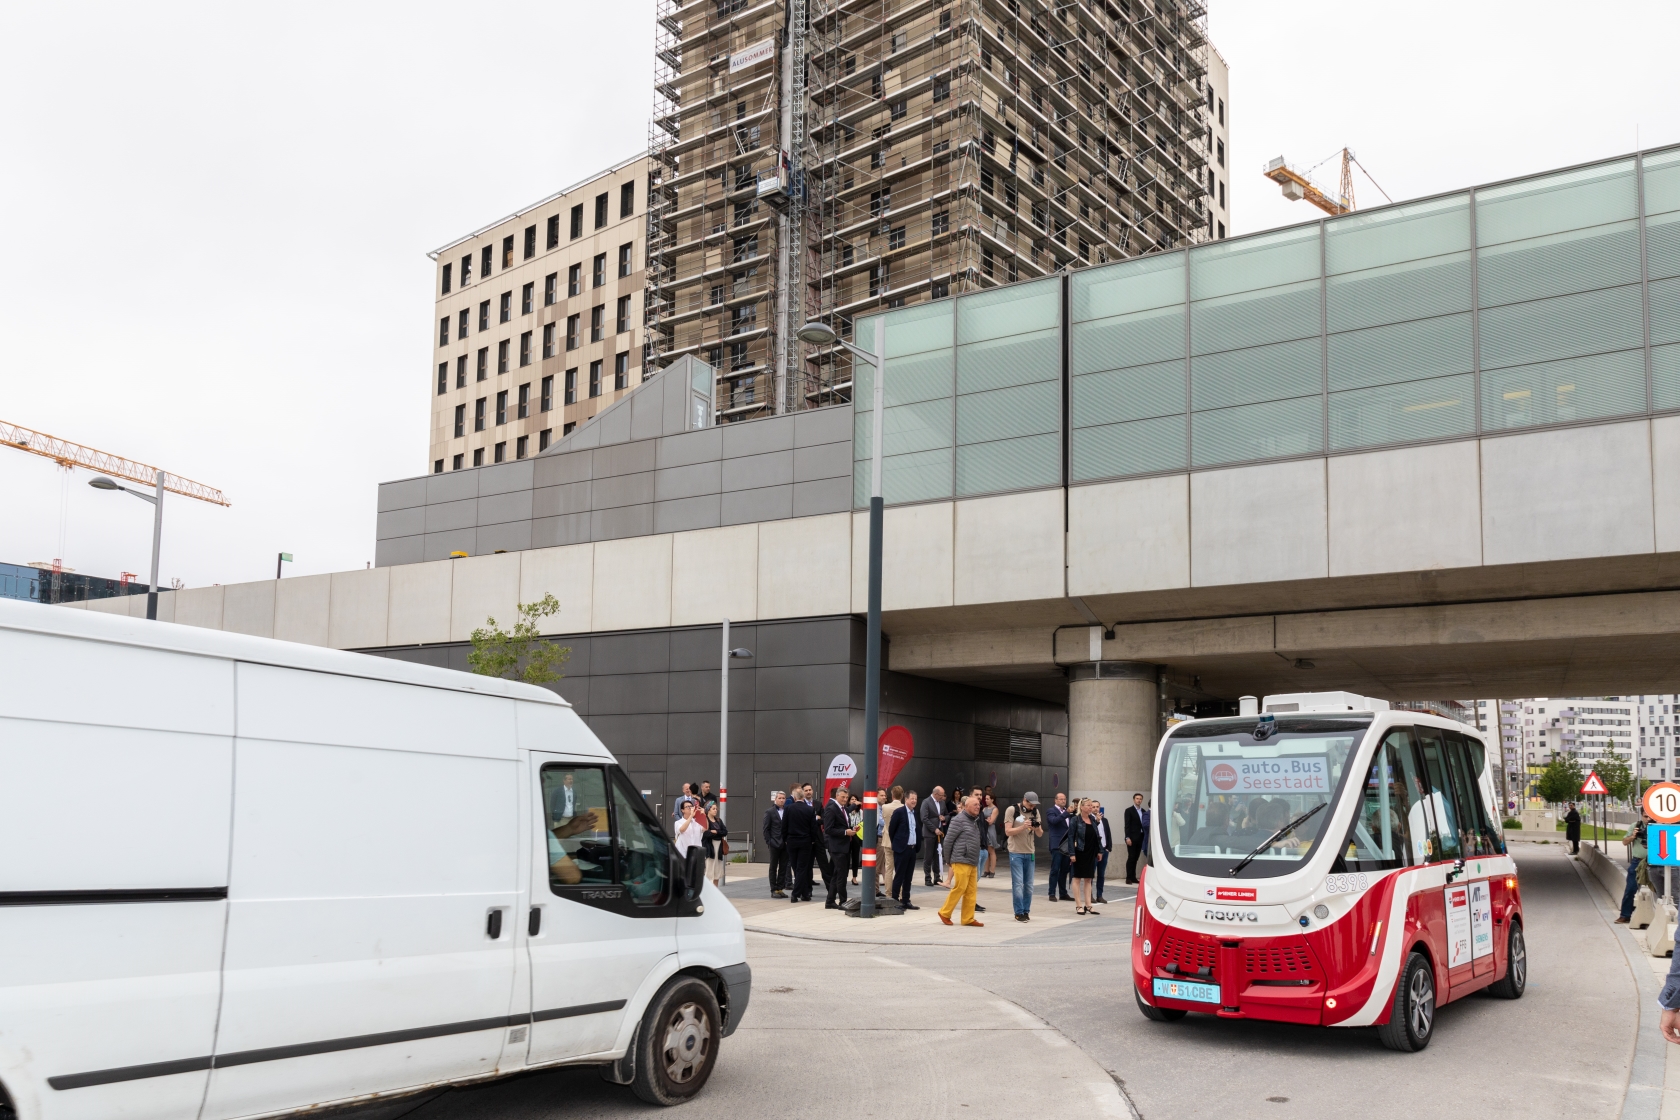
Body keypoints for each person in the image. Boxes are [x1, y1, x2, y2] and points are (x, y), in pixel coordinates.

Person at [938, 795, 985, 927]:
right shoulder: (959, 820)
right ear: (967, 806)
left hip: (972, 860)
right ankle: (944, 912)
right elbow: (948, 841)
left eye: (978, 804)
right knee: (960, 887)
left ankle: (968, 918)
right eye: (975, 804)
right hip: (961, 859)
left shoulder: (974, 820)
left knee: (971, 890)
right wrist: (948, 859)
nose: (978, 807)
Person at [1004, 791, 1044, 922]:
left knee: (1029, 885)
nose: (1032, 807)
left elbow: (1040, 834)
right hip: (1016, 852)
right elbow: (1008, 831)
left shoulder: (1035, 812)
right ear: (1025, 800)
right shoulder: (1012, 810)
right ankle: (1019, 912)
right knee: (1018, 883)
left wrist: (1035, 828)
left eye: (1034, 805)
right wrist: (1023, 827)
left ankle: (1026, 911)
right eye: (1031, 804)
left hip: (1030, 852)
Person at [784, 784, 818, 902]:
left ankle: (803, 893)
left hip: (792, 841)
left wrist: (785, 839)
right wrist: (812, 840)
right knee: (802, 868)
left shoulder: (788, 808)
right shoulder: (810, 810)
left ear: (794, 796)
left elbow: (784, 826)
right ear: (803, 796)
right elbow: (813, 828)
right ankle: (798, 893)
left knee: (795, 867)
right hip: (805, 841)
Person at [888, 790, 921, 909]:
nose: (914, 801)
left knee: (908, 877)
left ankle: (906, 900)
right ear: (906, 799)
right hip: (902, 849)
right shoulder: (899, 812)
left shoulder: (914, 813)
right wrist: (898, 844)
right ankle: (895, 900)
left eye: (916, 799)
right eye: (912, 798)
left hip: (912, 849)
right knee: (899, 876)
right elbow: (892, 830)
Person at [1069, 798, 1102, 915]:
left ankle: (1088, 905)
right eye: (1088, 805)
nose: (1090, 807)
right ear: (1081, 807)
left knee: (1088, 879)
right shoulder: (1075, 820)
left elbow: (1096, 836)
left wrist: (1099, 851)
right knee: (1077, 878)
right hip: (1079, 852)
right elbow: (1071, 838)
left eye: (1091, 806)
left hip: (1090, 852)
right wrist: (1072, 854)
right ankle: (1078, 905)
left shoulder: (1092, 819)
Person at [823, 787, 853, 909]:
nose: (845, 800)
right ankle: (843, 901)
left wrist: (851, 829)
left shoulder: (843, 808)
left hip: (844, 846)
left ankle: (830, 901)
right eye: (843, 797)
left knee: (837, 874)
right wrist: (845, 832)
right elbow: (828, 829)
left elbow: (843, 824)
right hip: (837, 847)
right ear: (837, 796)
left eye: (846, 797)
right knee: (841, 875)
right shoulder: (831, 808)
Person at [1619, 812, 1650, 924]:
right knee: (1631, 889)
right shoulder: (1636, 825)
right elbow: (1624, 842)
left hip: (1654, 863)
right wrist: (1633, 836)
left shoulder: (1659, 826)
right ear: (1641, 816)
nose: (1648, 819)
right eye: (1645, 816)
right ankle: (1625, 915)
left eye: (1650, 816)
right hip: (1638, 861)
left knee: (1658, 891)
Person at [674, 800, 707, 893]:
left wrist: (704, 816)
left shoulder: (697, 822)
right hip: (683, 854)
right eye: (687, 807)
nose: (690, 808)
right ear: (682, 810)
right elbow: (682, 829)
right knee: (685, 877)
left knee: (697, 878)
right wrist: (691, 817)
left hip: (697, 854)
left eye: (691, 806)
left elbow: (705, 828)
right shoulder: (678, 822)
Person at [878, 785, 905, 896]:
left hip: (888, 840)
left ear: (892, 795)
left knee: (889, 868)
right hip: (901, 842)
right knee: (901, 868)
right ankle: (901, 892)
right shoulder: (904, 807)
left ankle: (889, 893)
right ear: (902, 796)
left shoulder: (885, 807)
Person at [761, 791, 788, 898]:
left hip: (785, 844)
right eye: (780, 798)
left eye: (783, 798)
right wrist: (769, 842)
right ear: (775, 799)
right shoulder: (770, 812)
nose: (782, 800)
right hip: (774, 844)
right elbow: (766, 829)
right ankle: (773, 889)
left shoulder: (787, 811)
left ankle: (780, 888)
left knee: (783, 867)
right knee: (773, 867)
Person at [1046, 792, 1072, 901]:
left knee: (1065, 870)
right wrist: (1066, 813)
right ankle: (1051, 893)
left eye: (1064, 799)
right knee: (1055, 869)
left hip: (1067, 845)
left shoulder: (1068, 812)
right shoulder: (1051, 811)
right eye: (1061, 799)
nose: (1063, 801)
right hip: (1057, 844)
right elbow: (1054, 821)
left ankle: (1063, 893)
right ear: (1055, 800)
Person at [921, 786, 947, 886]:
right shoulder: (926, 802)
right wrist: (934, 829)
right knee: (928, 856)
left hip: (940, 833)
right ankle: (927, 878)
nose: (942, 797)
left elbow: (947, 815)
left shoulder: (942, 803)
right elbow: (924, 818)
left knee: (937, 855)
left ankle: (937, 877)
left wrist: (944, 818)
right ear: (935, 794)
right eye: (941, 795)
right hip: (929, 833)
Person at [703, 803, 729, 887]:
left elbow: (725, 832)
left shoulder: (718, 820)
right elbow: (706, 834)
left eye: (716, 809)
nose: (715, 810)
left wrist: (716, 832)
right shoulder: (705, 820)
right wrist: (714, 833)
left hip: (719, 846)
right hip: (710, 847)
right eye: (713, 809)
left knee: (717, 870)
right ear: (708, 810)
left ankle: (715, 890)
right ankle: (706, 891)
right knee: (709, 869)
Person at [1093, 801, 1114, 904]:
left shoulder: (1104, 820)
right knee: (1090, 875)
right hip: (1094, 852)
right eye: (1093, 807)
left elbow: (1108, 834)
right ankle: (1090, 896)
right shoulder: (1089, 820)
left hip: (1104, 850)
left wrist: (1108, 847)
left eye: (1097, 807)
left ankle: (1099, 895)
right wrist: (1096, 821)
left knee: (1101, 874)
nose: (1096, 809)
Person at [1124, 793, 1147, 884]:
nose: (1139, 800)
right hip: (1132, 838)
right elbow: (1127, 825)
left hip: (1141, 837)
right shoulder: (1129, 810)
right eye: (1137, 798)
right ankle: (1128, 877)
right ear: (1134, 799)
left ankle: (1133, 877)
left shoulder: (1143, 811)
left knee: (1136, 857)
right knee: (1131, 857)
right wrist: (1127, 837)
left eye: (1140, 799)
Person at [981, 792, 1000, 878]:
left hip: (990, 830)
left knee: (991, 850)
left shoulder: (995, 809)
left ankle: (992, 870)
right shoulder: (984, 809)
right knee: (986, 851)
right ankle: (986, 870)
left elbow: (991, 821)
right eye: (985, 799)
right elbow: (981, 819)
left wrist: (986, 820)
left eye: (988, 799)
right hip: (984, 830)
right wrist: (986, 820)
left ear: (992, 799)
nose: (986, 800)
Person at [846, 794, 864, 886]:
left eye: (855, 799)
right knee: (846, 856)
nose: (853, 800)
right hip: (848, 833)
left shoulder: (860, 812)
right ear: (849, 801)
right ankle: (844, 876)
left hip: (857, 833)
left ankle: (854, 877)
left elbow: (863, 822)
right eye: (852, 799)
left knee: (855, 856)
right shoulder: (846, 811)